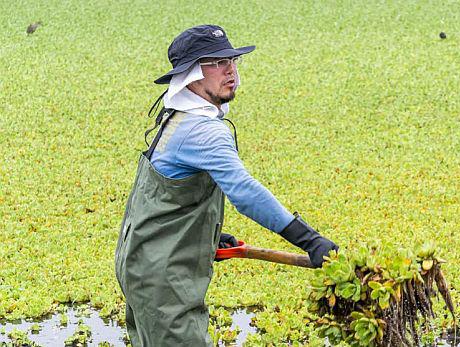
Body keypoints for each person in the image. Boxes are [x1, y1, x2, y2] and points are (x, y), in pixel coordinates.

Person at [114, 24, 338, 346]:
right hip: (163, 277)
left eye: (232, 60)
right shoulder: (202, 131)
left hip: (139, 262)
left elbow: (168, 194)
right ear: (191, 74)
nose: (230, 70)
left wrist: (207, 233)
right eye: (216, 63)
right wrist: (310, 240)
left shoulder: (176, 118)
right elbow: (245, 192)